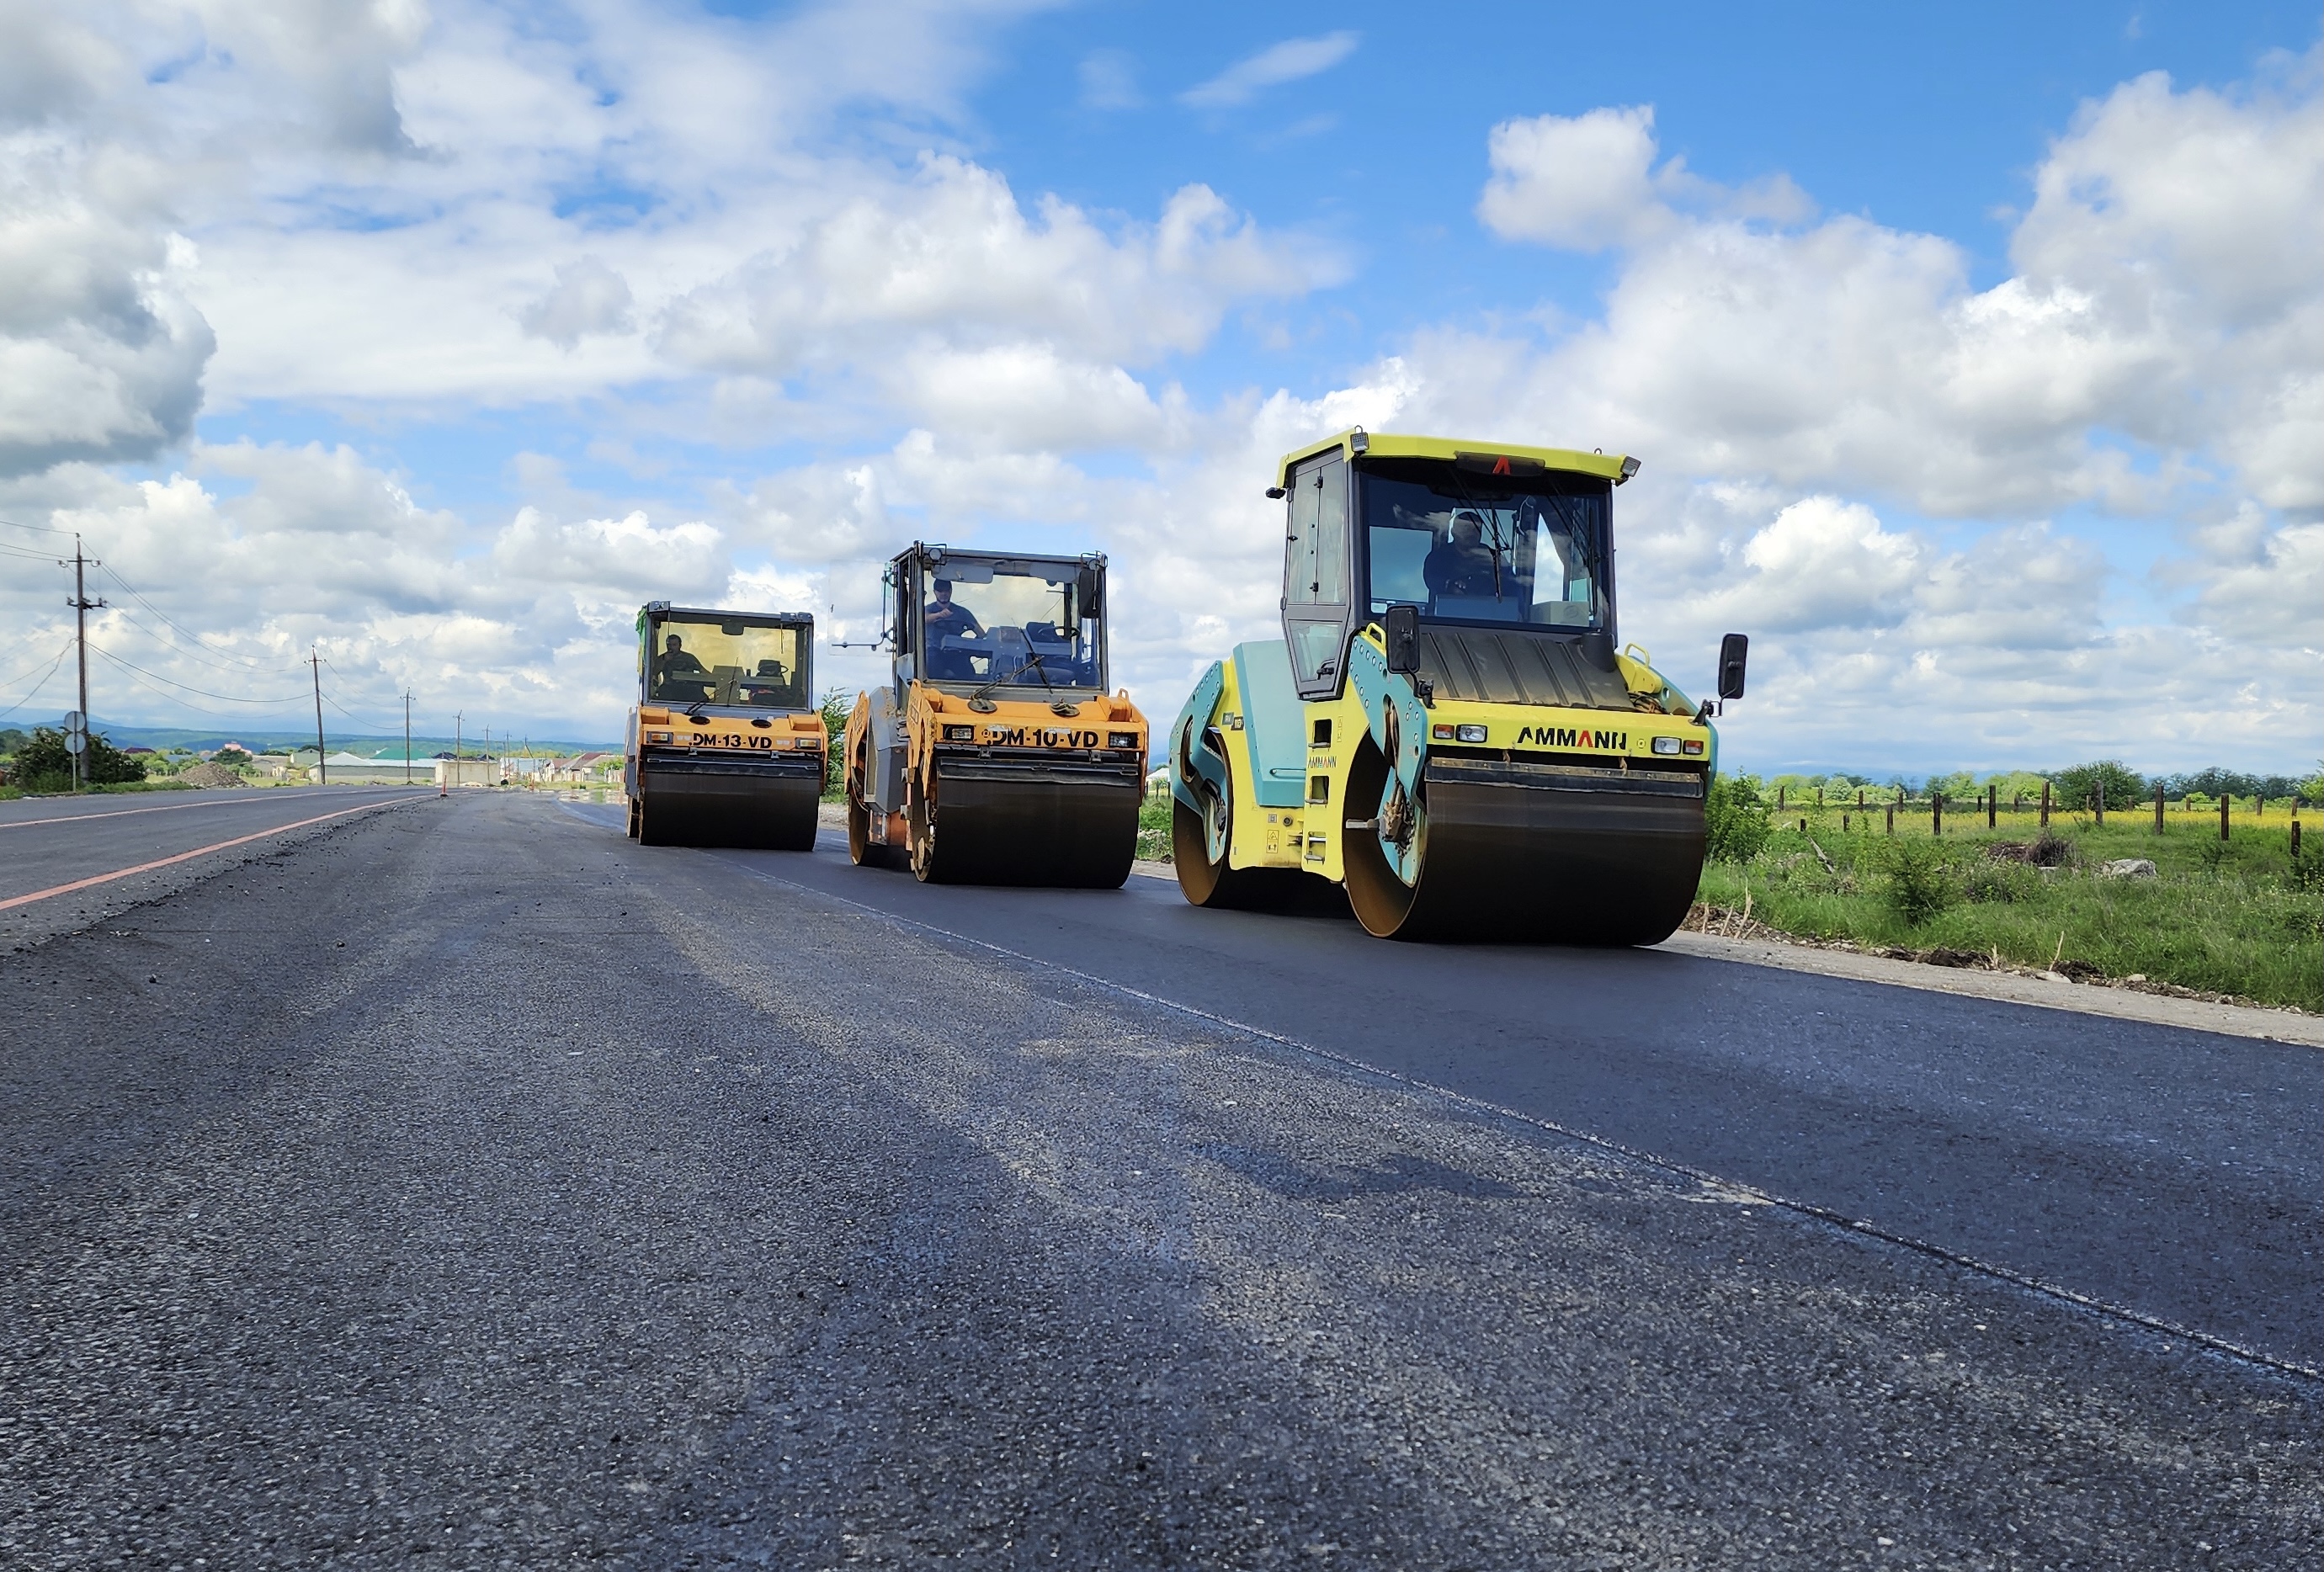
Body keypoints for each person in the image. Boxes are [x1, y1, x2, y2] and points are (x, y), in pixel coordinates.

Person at [1423, 512, 1502, 599]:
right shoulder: (1438, 558)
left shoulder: (1493, 557)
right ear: (1453, 531)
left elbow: (1510, 584)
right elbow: (1433, 579)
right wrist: (1451, 586)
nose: (1472, 533)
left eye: (1477, 529)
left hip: (1491, 609)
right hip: (1445, 611)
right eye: (1466, 528)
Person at [652, 632, 710, 697]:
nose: (671, 647)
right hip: (669, 689)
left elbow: (703, 671)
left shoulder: (689, 658)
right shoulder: (662, 658)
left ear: (680, 645)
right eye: (669, 645)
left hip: (688, 689)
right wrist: (664, 661)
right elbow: (654, 673)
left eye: (674, 645)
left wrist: (716, 679)